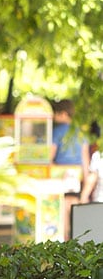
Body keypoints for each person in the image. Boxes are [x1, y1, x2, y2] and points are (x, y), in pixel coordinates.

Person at [50, 98, 89, 238]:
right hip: (77, 179)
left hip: (60, 177)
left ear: (64, 113)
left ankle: (65, 244)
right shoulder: (81, 133)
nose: (54, 116)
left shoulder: (56, 132)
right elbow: (85, 161)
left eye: (57, 113)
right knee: (76, 215)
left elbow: (50, 156)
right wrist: (86, 188)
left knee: (63, 216)